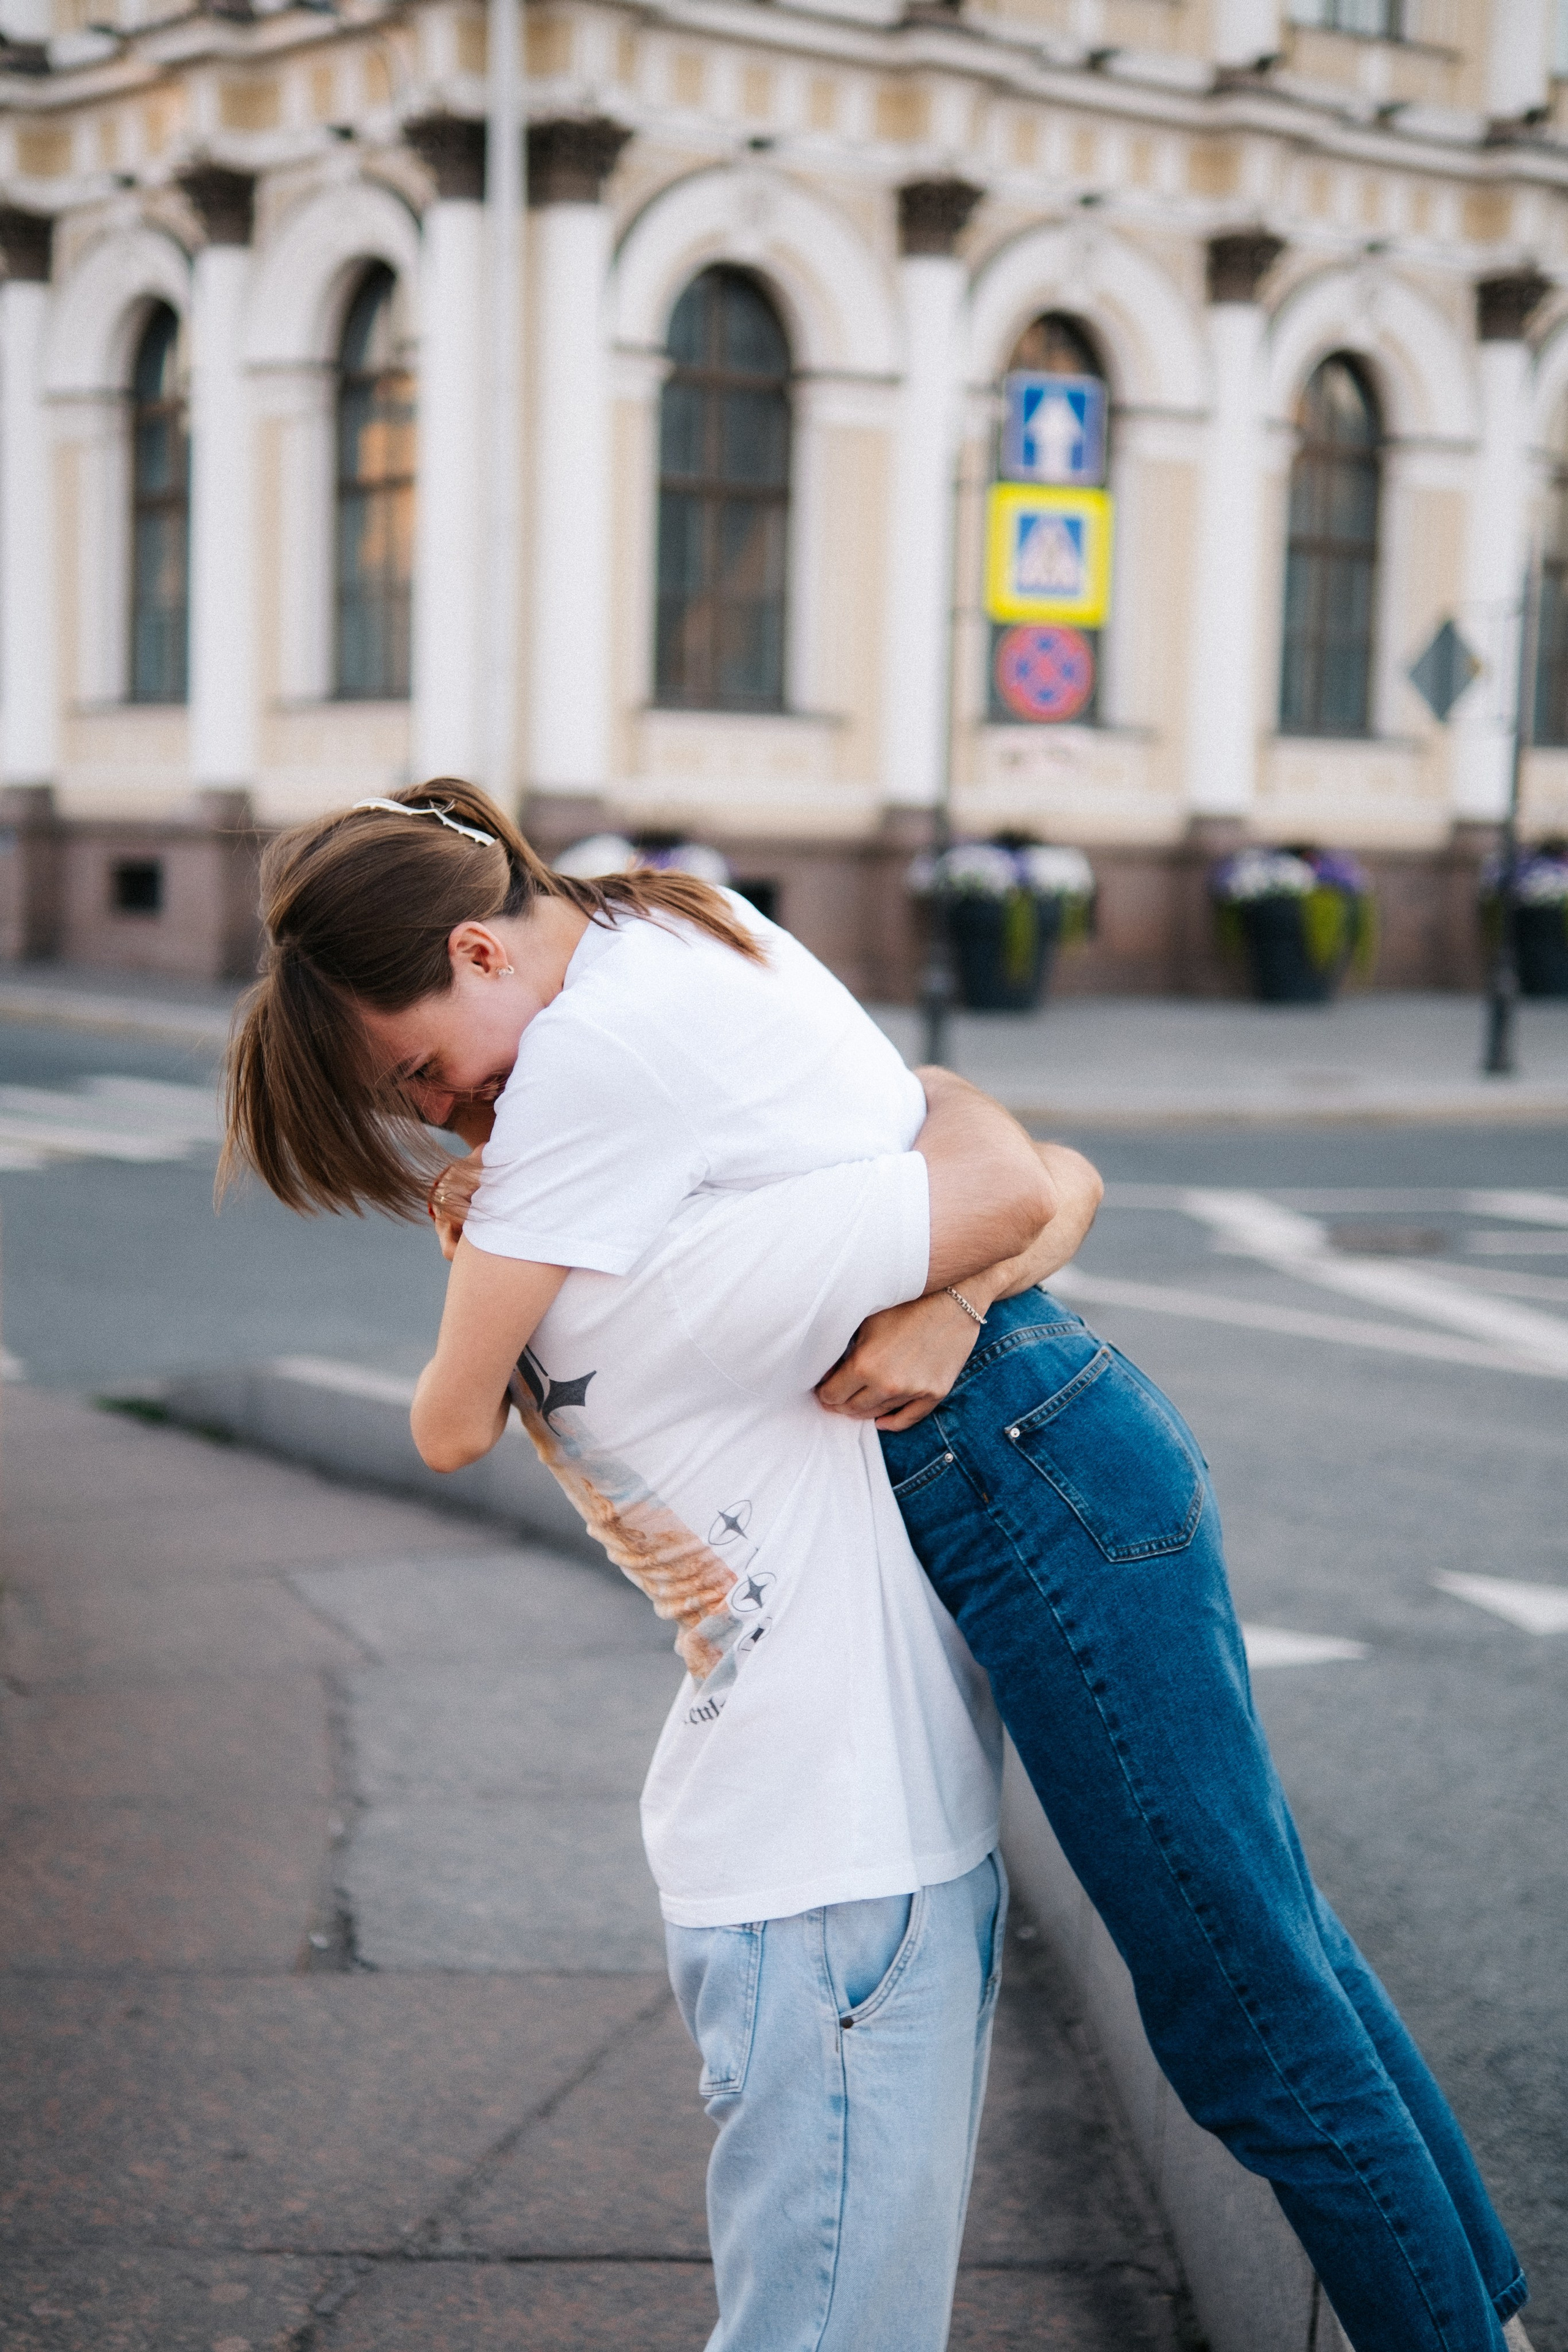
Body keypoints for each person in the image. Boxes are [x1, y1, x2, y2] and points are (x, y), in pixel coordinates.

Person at [223, 781, 1529, 2352]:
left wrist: (947, 1303)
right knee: (1269, 1944)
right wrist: (960, 1296)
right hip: (1043, 1429)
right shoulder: (661, 921)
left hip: (1019, 1464)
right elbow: (956, 1113)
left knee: (1236, 2001)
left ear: (479, 952)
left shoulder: (586, 1067)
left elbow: (464, 1400)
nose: (448, 1117)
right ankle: (1483, 2313)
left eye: (427, 1072)